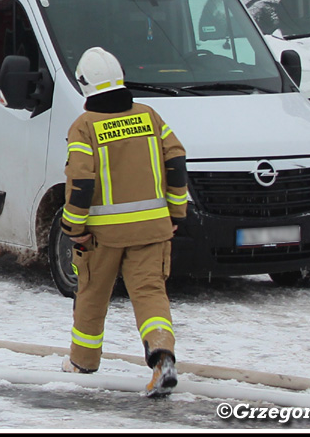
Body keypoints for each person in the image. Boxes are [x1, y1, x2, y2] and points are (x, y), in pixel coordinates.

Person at [59, 47, 188, 398]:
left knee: (91, 297)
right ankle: (162, 356)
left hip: (101, 237)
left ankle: (82, 364)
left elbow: (81, 184)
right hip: (152, 231)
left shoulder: (84, 126)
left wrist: (75, 229)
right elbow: (176, 162)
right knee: (150, 295)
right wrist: (176, 213)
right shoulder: (150, 116)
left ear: (85, 84)